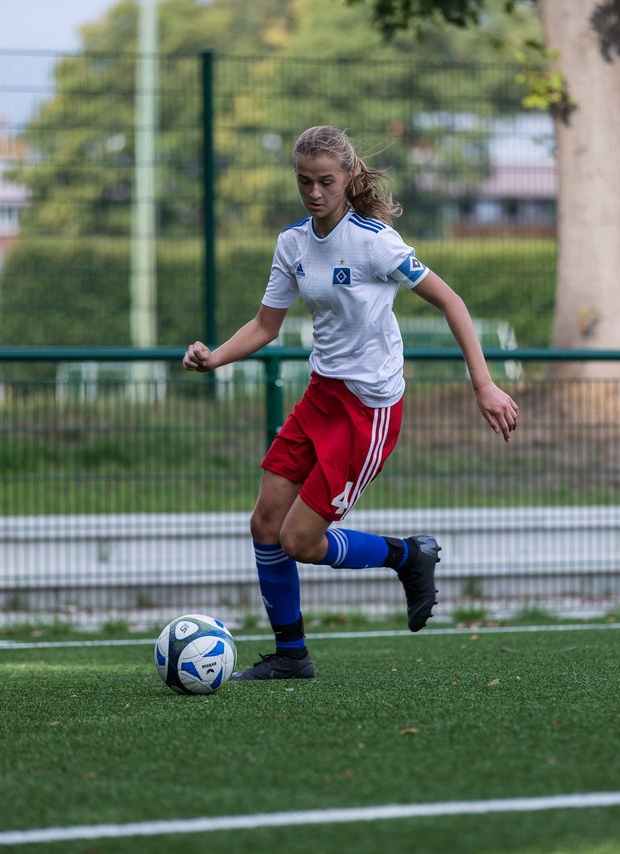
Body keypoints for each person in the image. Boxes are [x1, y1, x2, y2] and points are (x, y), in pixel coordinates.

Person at [183, 125, 519, 680]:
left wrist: (483, 383)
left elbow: (452, 303)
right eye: (304, 182)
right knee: (265, 521)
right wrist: (213, 358)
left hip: (369, 407)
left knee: (299, 540)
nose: (314, 193)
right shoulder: (292, 244)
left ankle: (408, 556)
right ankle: (292, 654)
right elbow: (267, 325)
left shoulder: (375, 241)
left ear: (348, 179)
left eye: (325, 182)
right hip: (321, 396)